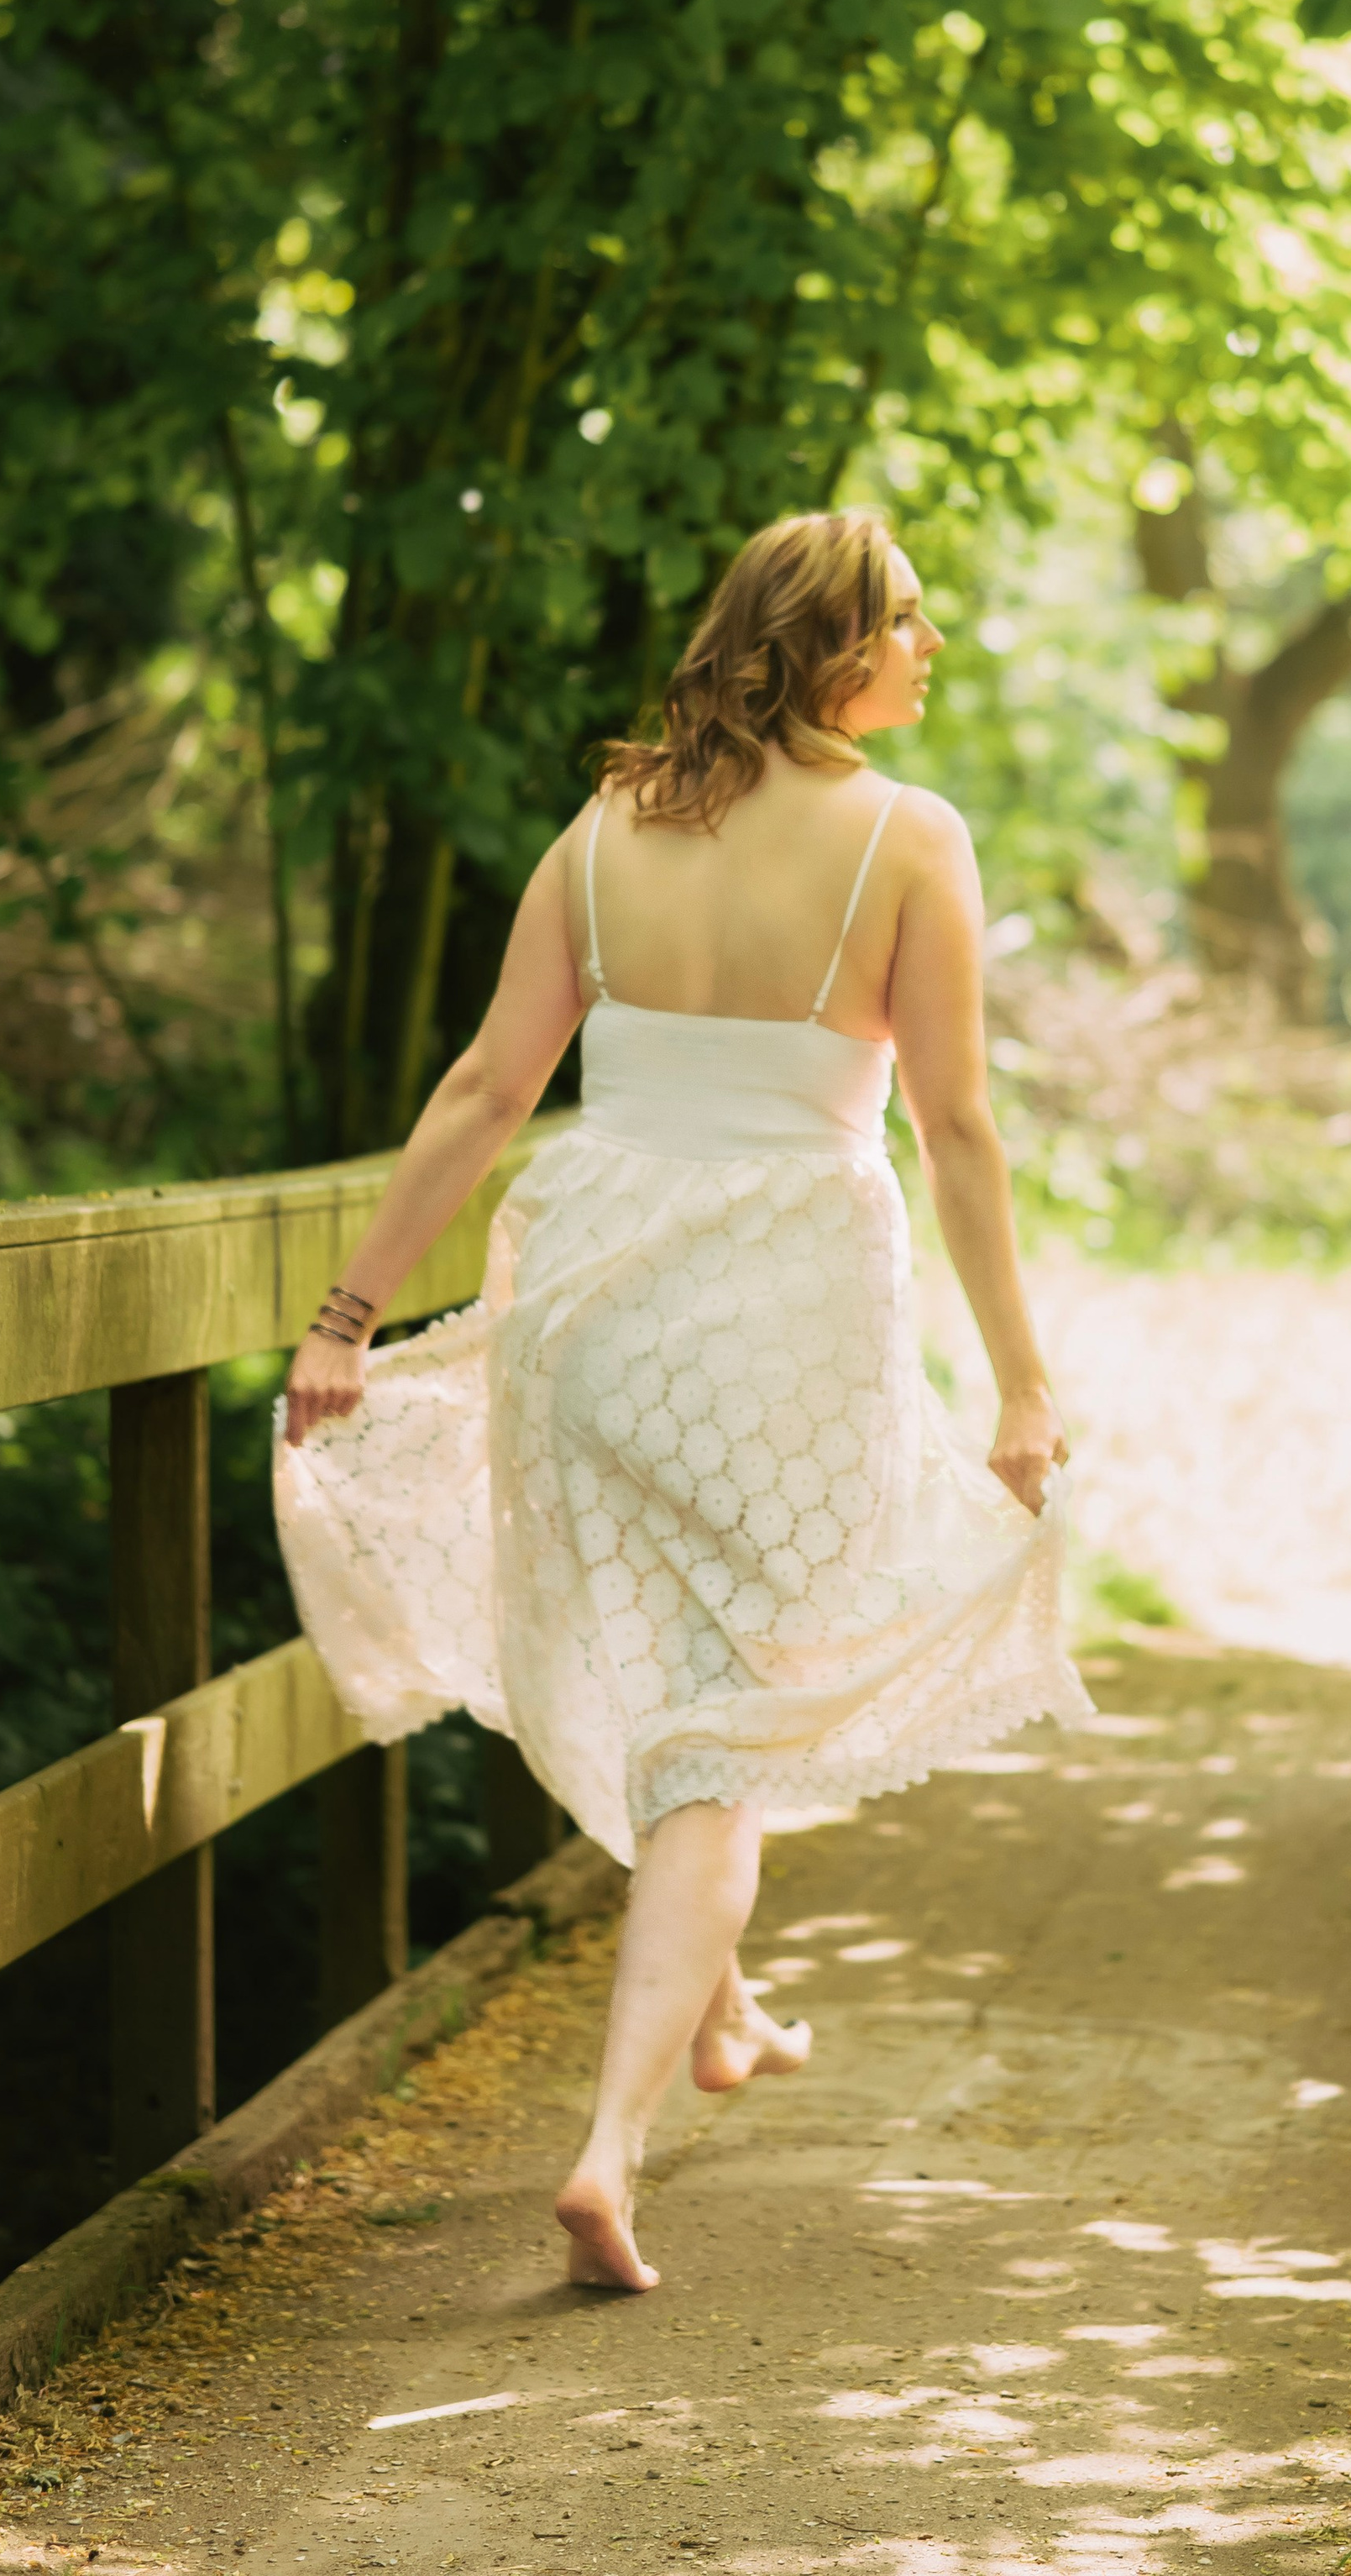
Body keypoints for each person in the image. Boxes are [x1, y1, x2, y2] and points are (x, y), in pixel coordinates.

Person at [275, 508, 1090, 2291]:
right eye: (909, 626)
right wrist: (1021, 1380)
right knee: (726, 1739)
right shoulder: (904, 838)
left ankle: (721, 2014)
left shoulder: (599, 837)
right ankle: (609, 2152)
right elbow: (953, 1126)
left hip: (587, 1315)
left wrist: (346, 1318)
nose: (931, 651)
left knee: (675, 1684)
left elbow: (488, 1090)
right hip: (776, 1326)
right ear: (831, 651)